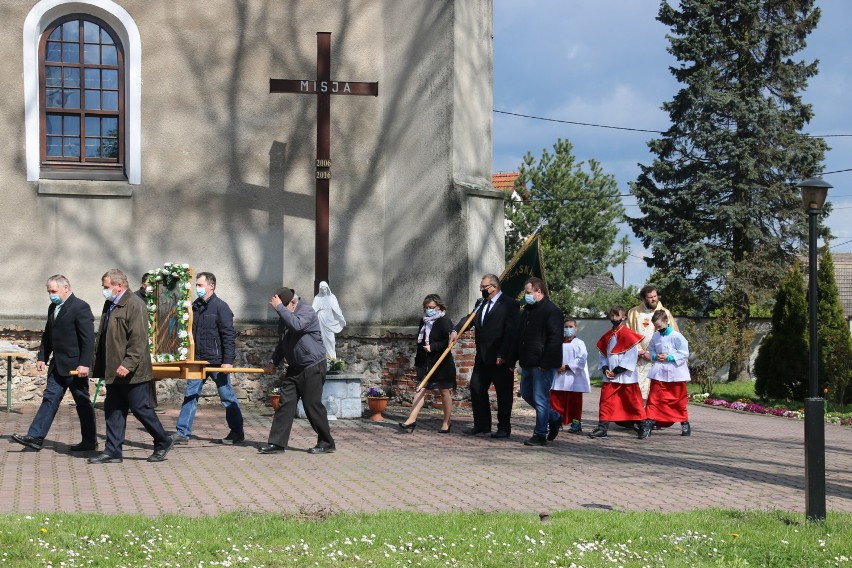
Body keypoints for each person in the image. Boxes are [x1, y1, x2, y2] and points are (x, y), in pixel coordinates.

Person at [88, 269, 174, 464]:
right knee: (114, 410)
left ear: (119, 286)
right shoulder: (110, 303)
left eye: (106, 287)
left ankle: (163, 440)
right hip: (113, 369)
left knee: (140, 409)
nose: (104, 291)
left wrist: (128, 363)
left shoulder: (135, 304)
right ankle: (113, 451)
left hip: (132, 371)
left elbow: (139, 338)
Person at [11, 275, 97, 452]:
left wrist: (84, 364)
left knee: (82, 402)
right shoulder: (53, 307)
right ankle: (35, 437)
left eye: (53, 291)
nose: (51, 295)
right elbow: (48, 335)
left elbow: (88, 340)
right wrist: (42, 356)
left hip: (74, 367)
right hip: (57, 365)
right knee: (49, 399)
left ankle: (90, 441)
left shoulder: (80, 307)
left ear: (65, 288)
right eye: (49, 292)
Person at [260, 286, 335, 455]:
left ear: (293, 302)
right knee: (285, 404)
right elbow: (283, 342)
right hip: (295, 368)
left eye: (283, 306)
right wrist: (274, 361)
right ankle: (277, 444)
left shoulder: (307, 311)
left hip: (313, 365)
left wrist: (279, 308)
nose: (281, 311)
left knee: (312, 406)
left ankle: (326, 442)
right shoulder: (285, 314)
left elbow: (297, 326)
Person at [173, 272, 245, 445]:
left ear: (211, 286)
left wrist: (228, 360)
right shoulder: (194, 307)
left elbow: (228, 335)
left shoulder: (221, 307)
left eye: (200, 285)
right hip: (197, 362)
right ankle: (182, 433)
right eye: (196, 285)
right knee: (191, 395)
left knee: (227, 396)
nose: (197, 288)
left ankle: (237, 432)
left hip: (216, 361)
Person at [452, 274, 519, 438]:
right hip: (482, 357)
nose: (481, 290)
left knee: (503, 393)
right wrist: (455, 330)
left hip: (499, 358)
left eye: (484, 287)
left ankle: (504, 427)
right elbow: (469, 319)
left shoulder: (510, 304)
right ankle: (482, 424)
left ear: (494, 287)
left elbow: (511, 332)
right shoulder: (480, 303)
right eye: (481, 287)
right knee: (476, 388)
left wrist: (503, 354)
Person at [516, 277, 564, 446]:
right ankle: (554, 417)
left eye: (528, 292)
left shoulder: (552, 311)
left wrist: (545, 363)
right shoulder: (528, 310)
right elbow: (521, 336)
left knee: (540, 398)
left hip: (543, 364)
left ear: (539, 291)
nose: (526, 296)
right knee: (527, 394)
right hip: (528, 361)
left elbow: (555, 339)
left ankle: (540, 434)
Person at [399, 294, 456, 433]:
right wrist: (418, 361)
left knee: (444, 391)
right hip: (425, 362)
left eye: (431, 307)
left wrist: (433, 347)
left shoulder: (444, 321)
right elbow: (420, 342)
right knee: (420, 389)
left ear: (439, 307)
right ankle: (411, 420)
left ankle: (446, 422)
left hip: (441, 362)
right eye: (426, 308)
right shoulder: (423, 321)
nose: (428, 310)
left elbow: (448, 342)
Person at [589, 305, 647, 439]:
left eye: (617, 315)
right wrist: (605, 369)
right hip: (610, 377)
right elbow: (603, 355)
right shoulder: (607, 336)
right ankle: (603, 428)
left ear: (623, 317)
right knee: (605, 402)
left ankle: (643, 426)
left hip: (626, 377)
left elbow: (630, 357)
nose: (614, 318)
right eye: (612, 315)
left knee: (633, 402)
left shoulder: (629, 335)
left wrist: (616, 371)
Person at [644, 310, 692, 437]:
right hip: (659, 373)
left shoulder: (677, 336)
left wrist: (669, 357)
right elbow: (651, 349)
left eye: (659, 326)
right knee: (654, 398)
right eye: (656, 327)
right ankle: (648, 423)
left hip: (676, 374)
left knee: (679, 400)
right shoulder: (655, 336)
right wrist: (655, 356)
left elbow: (684, 353)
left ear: (666, 321)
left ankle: (684, 423)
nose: (658, 329)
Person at [626, 285, 678, 400]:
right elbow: (629, 333)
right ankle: (639, 415)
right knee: (637, 390)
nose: (654, 299)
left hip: (657, 358)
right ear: (644, 299)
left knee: (656, 391)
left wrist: (654, 354)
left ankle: (653, 415)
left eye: (655, 296)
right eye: (650, 297)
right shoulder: (634, 312)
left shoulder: (665, 313)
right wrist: (640, 351)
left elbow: (672, 336)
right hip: (639, 357)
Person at [549, 318, 590, 434]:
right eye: (566, 327)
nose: (568, 329)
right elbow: (551, 355)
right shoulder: (557, 342)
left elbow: (582, 359)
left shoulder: (579, 343)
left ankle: (576, 423)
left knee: (574, 403)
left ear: (576, 328)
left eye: (571, 327)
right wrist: (556, 365)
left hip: (573, 379)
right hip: (558, 376)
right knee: (556, 401)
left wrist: (566, 366)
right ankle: (555, 422)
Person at [134, 272, 158, 410]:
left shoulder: (154, 299)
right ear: (143, 284)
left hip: (152, 339)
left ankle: (151, 403)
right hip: (139, 338)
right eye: (150, 285)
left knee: (150, 371)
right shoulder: (136, 298)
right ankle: (138, 403)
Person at [312, 280, 346, 362]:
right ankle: (324, 359)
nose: (324, 291)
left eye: (325, 289)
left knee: (331, 339)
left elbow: (337, 309)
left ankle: (332, 359)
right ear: (320, 289)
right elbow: (313, 310)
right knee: (322, 339)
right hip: (321, 319)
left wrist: (342, 318)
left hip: (330, 320)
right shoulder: (317, 298)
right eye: (322, 289)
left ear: (327, 288)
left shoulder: (332, 297)